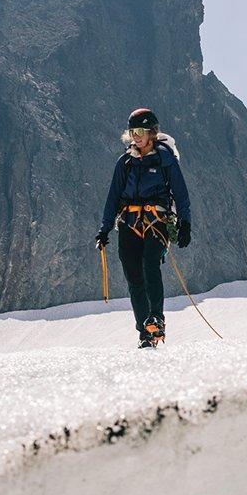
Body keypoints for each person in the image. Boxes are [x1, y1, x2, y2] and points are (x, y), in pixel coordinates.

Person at [95, 107, 192, 347]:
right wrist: (104, 229)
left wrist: (185, 223)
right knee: (133, 278)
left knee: (150, 265)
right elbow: (113, 197)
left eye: (139, 131)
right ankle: (145, 333)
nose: (135, 136)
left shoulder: (164, 159)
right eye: (131, 131)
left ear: (151, 132)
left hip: (157, 222)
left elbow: (180, 193)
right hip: (128, 223)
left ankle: (156, 319)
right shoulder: (125, 162)